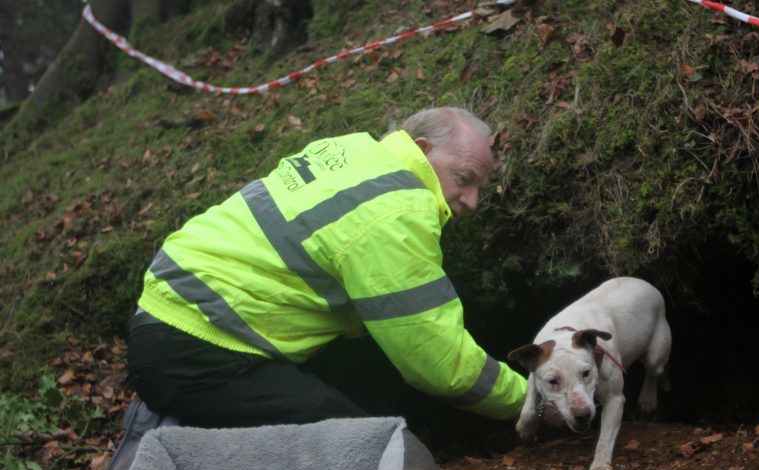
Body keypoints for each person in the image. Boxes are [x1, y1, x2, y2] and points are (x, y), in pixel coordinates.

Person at [126, 106, 527, 428]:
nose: (472, 202)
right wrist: (532, 401)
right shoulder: (396, 210)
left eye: (481, 187)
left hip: (173, 309)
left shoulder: (353, 151)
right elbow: (439, 363)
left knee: (369, 380)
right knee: (358, 442)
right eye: (464, 179)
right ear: (422, 149)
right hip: (196, 349)